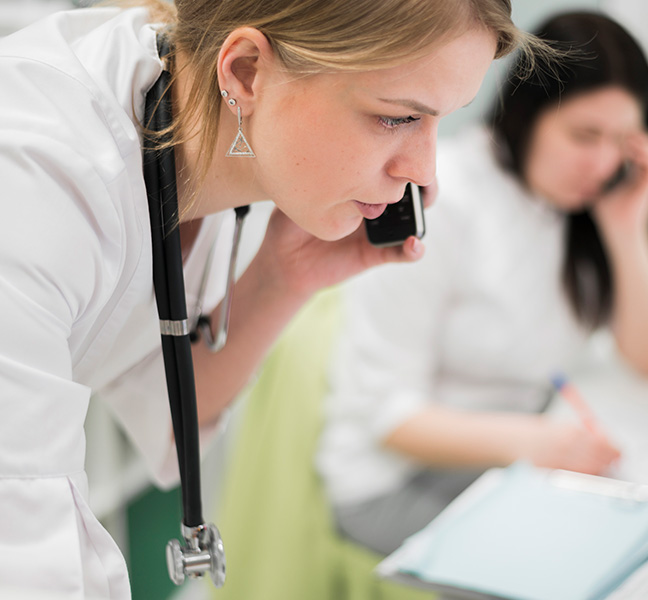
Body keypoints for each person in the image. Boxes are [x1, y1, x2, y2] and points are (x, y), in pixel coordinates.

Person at [0, 0, 548, 597]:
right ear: (245, 73)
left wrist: (281, 279)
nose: (421, 171)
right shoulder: (30, 179)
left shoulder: (221, 140)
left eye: (442, 119)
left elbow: (168, 411)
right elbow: (29, 558)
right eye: (397, 118)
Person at [316, 10, 648, 557]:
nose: (604, 162)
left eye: (623, 141)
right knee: (590, 556)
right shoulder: (447, 202)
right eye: (585, 135)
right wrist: (537, 443)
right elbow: (387, 416)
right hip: (396, 483)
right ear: (528, 116)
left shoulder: (577, 211)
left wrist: (626, 230)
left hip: (507, 459)